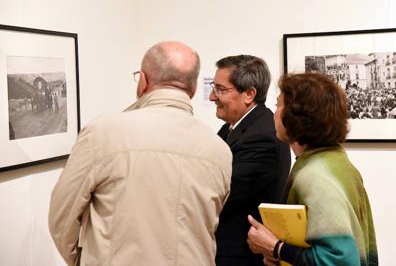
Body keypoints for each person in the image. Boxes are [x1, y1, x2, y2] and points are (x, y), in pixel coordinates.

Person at [48, 41, 233, 266]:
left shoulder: (101, 134)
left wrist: (84, 260)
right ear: (193, 90)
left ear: (143, 81)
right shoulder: (220, 149)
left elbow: (62, 217)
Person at [247, 73, 378, 266]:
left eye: (278, 105)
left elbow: (339, 260)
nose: (274, 113)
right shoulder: (336, 161)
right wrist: (281, 256)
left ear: (297, 115)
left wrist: (276, 248)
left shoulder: (315, 176)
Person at [209, 55, 291, 266]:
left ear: (249, 94)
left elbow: (222, 195)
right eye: (213, 87)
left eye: (220, 89)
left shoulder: (261, 135)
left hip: (241, 256)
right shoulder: (232, 127)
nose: (212, 96)